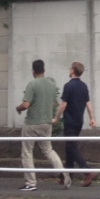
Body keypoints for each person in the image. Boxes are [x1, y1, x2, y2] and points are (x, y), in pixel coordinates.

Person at [15, 58, 68, 191]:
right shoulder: (51, 85)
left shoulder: (32, 84)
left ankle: (31, 183)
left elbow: (26, 104)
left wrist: (18, 108)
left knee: (27, 152)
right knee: (48, 150)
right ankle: (63, 173)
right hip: (47, 122)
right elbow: (54, 102)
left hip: (32, 123)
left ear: (33, 71)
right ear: (44, 70)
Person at [55, 61, 97, 186]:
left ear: (73, 70)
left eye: (70, 68)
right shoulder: (83, 86)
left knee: (72, 148)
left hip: (69, 121)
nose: (69, 70)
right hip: (79, 121)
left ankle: (87, 171)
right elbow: (88, 103)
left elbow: (63, 105)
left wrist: (56, 118)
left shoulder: (68, 86)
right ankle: (67, 176)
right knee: (70, 148)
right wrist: (92, 118)